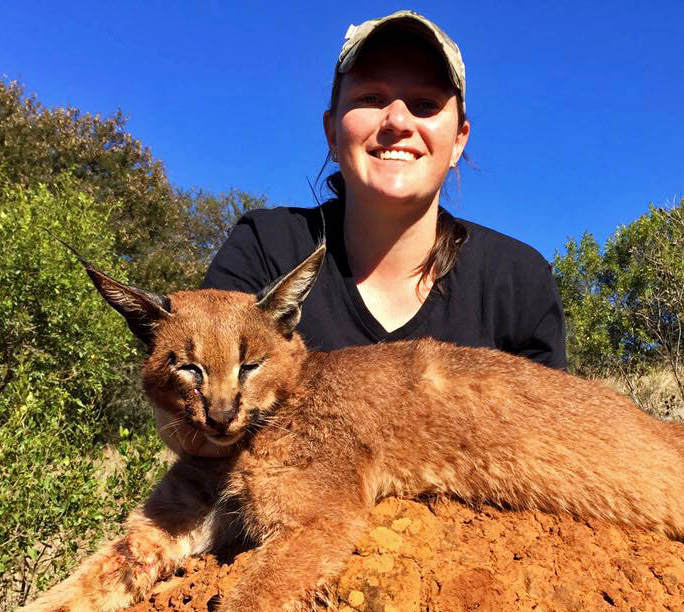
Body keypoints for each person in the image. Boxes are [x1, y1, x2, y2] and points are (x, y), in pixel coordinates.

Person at [202, 10, 567, 371]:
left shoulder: (519, 281)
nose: (397, 120)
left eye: (425, 104)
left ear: (459, 141)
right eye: (371, 98)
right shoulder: (266, 248)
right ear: (332, 132)